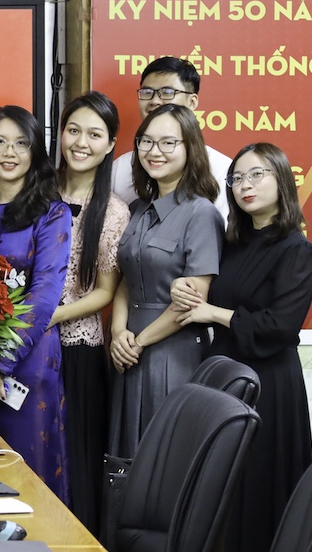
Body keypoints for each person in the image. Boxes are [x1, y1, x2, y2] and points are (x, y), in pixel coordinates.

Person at [170, 143, 312, 552]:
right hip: (223, 376)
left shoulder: (296, 249)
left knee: (259, 488)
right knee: (221, 490)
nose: (245, 185)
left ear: (282, 180)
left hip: (269, 384)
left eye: (256, 175)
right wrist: (183, 288)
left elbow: (279, 327)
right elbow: (205, 297)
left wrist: (214, 313)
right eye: (237, 178)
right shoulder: (231, 242)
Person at [0, 105, 71, 503]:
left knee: (29, 475)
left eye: (21, 143)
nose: (9, 152)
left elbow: (45, 294)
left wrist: (0, 361)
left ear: (34, 152)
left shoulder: (52, 213)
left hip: (27, 359)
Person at [107, 104, 222, 459]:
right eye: (146, 141)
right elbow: (127, 278)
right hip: (128, 351)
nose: (154, 151)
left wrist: (138, 342)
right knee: (126, 458)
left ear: (190, 148)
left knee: (165, 457)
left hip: (173, 352)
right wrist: (118, 333)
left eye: (168, 142)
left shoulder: (201, 213)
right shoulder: (138, 209)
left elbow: (192, 301)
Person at [48, 92, 130, 533]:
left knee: (74, 452)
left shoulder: (114, 212)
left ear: (110, 143)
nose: (81, 143)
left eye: (94, 134)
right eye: (73, 130)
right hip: (26, 342)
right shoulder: (38, 193)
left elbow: (105, 292)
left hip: (77, 349)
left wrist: (52, 315)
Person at [110, 57, 230, 220]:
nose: (155, 101)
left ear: (192, 102)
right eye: (147, 92)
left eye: (167, 92)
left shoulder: (222, 170)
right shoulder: (119, 169)